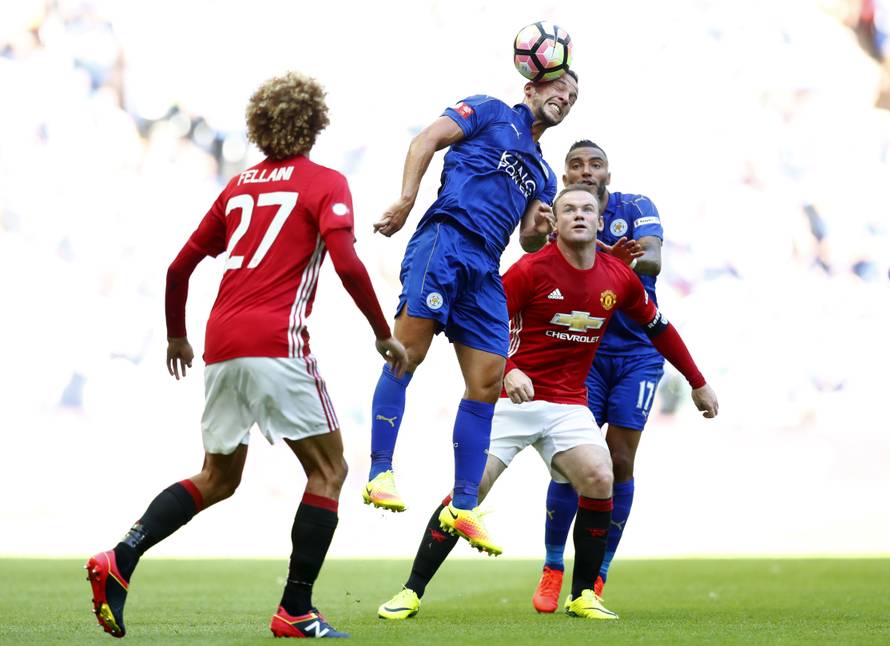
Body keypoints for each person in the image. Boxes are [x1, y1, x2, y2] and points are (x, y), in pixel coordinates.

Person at [84, 71, 408, 640]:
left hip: (219, 343)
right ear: (315, 123)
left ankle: (121, 557)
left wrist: (176, 337)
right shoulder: (325, 182)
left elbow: (178, 268)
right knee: (330, 470)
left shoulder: (238, 188)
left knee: (217, 476)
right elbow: (349, 263)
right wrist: (382, 331)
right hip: (275, 341)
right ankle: (296, 609)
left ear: (260, 127)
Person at [376, 185, 718, 622]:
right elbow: (479, 324)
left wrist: (698, 382)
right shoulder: (529, 270)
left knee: (599, 475)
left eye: (587, 210)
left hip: (568, 404)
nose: (579, 215)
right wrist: (510, 367)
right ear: (554, 222)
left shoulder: (618, 276)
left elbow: (659, 328)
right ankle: (411, 590)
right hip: (511, 401)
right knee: (471, 490)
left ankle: (583, 595)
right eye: (569, 209)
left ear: (600, 221)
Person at [362, 70, 580, 556]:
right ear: (531, 88)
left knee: (488, 379)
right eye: (556, 90)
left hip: (486, 265)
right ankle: (379, 471)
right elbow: (426, 140)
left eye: (571, 97)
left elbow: (526, 237)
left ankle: (463, 506)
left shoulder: (543, 174)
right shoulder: (487, 110)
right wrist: (405, 200)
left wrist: (540, 228)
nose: (563, 99)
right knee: (405, 354)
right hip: (446, 239)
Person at [532, 141, 674, 612]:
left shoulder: (636, 207)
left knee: (621, 463)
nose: (586, 171)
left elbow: (651, 258)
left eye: (595, 164)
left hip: (638, 352)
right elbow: (531, 247)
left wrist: (609, 252)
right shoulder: (563, 212)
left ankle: (597, 576)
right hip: (583, 351)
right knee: (572, 462)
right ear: (565, 173)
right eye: (576, 164)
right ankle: (554, 566)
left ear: (608, 173)